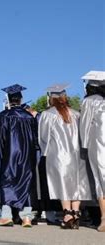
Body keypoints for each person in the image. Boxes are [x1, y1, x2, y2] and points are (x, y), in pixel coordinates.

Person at [39, 84, 92, 229]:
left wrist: (45, 152)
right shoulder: (76, 114)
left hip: (58, 155)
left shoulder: (47, 114)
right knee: (77, 184)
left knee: (63, 184)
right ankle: (76, 213)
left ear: (51, 98)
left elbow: (43, 137)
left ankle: (67, 214)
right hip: (78, 154)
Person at [0, 84, 40, 228]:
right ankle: (26, 217)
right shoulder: (29, 117)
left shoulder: (3, 116)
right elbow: (35, 139)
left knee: (8, 181)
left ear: (8, 100)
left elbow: (0, 139)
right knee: (26, 182)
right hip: (27, 154)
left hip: (9, 154)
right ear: (21, 99)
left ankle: (7, 216)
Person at [79, 70, 105, 232]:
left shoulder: (89, 101)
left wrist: (84, 145)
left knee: (101, 179)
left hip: (99, 143)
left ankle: (104, 218)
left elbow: (84, 125)